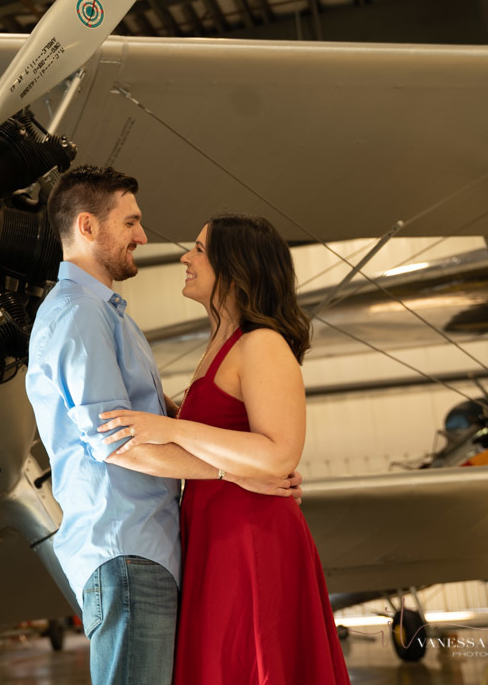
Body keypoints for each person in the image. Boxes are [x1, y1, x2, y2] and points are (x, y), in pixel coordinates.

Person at [25, 169, 303, 685]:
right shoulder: (79, 314)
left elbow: (156, 426)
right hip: (126, 546)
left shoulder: (112, 317)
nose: (145, 238)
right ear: (87, 226)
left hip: (159, 547)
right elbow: (119, 443)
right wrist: (233, 473)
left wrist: (181, 425)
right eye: (131, 222)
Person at [97, 214, 351, 684]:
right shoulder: (220, 344)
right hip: (217, 532)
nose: (185, 258)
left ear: (234, 267)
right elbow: (222, 435)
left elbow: (278, 455)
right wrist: (169, 418)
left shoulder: (262, 344)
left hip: (250, 535)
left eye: (198, 249)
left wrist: (169, 430)